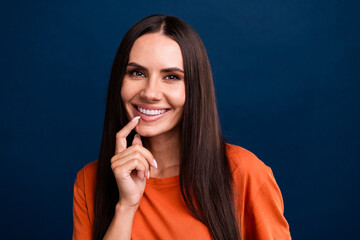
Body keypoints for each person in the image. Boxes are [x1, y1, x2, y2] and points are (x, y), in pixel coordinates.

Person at [73, 14, 291, 240]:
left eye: (171, 76)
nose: (150, 93)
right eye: (137, 73)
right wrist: (126, 207)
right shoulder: (90, 182)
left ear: (195, 88)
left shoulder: (245, 173)